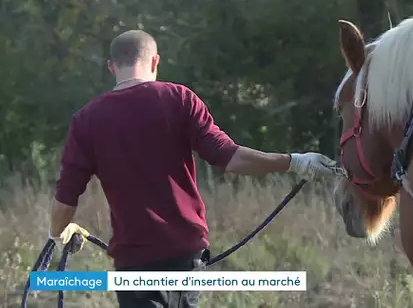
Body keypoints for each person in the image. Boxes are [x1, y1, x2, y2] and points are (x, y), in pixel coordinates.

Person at [48, 30, 338, 308]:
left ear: (112, 67)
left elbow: (66, 196)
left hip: (134, 259)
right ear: (155, 61)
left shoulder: (86, 120)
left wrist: (57, 232)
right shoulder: (179, 99)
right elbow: (230, 157)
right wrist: (294, 161)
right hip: (185, 252)